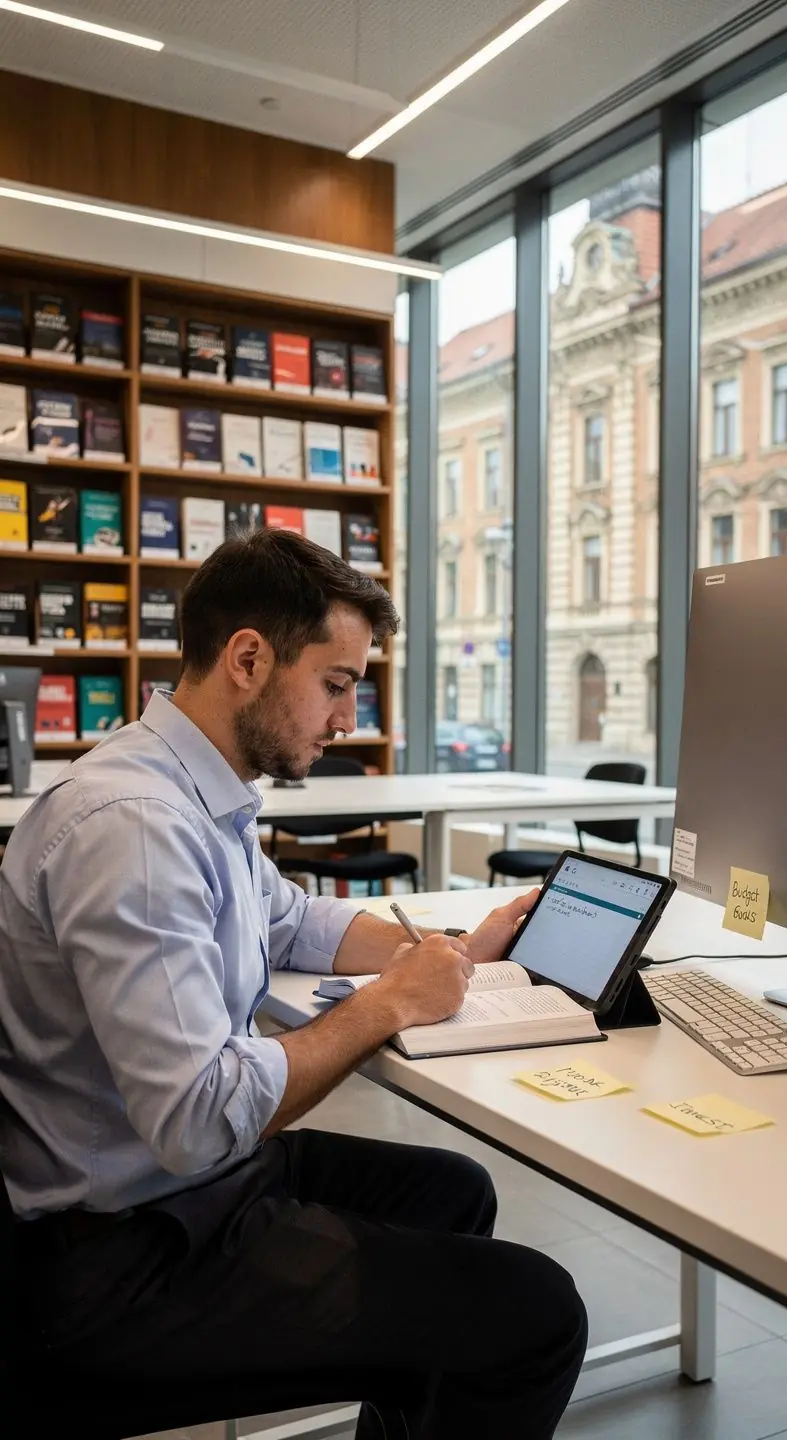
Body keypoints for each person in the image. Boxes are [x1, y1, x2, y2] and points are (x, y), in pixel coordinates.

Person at [0, 529, 587, 1439]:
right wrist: (388, 1002)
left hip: (160, 1186)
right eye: (337, 683)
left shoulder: (195, 789)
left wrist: (459, 947)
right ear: (247, 658)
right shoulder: (139, 829)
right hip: (112, 1257)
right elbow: (198, 1119)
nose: (347, 717)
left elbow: (291, 919)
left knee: (454, 1191)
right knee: (535, 1315)